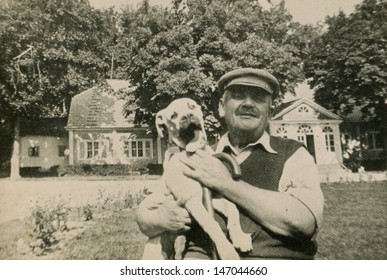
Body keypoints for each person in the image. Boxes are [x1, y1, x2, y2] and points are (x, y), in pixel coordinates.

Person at [136, 68, 324, 259]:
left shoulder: (292, 153)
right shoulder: (200, 156)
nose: (248, 103)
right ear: (221, 107)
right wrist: (161, 219)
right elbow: (147, 213)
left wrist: (226, 184)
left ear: (270, 112)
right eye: (238, 96)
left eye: (258, 98)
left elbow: (304, 223)